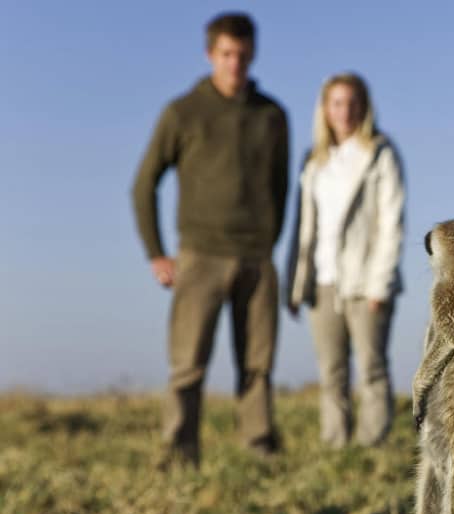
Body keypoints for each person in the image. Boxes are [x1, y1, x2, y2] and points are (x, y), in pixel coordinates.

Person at [131, 13, 289, 467]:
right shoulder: (182, 112)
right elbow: (144, 184)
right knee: (187, 365)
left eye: (242, 54)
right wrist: (156, 252)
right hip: (199, 255)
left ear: (253, 54)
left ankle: (260, 453)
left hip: (257, 258)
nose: (234, 63)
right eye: (226, 54)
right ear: (210, 55)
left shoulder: (272, 115)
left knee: (258, 366)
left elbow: (280, 188)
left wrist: (269, 241)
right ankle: (179, 457)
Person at [284, 73, 406, 448]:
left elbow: (391, 221)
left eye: (352, 102)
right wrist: (296, 282)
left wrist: (379, 282)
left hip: (366, 280)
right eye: (336, 102)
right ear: (325, 109)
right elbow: (304, 227)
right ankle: (335, 446)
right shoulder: (314, 160)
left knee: (371, 367)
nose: (345, 111)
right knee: (331, 372)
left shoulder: (380, 153)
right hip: (324, 280)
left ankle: (372, 446)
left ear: (364, 106)